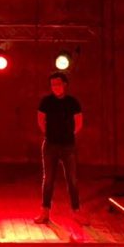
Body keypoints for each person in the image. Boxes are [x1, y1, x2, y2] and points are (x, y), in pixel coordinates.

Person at [34, 71, 85, 224]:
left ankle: (76, 211)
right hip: (50, 145)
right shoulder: (46, 102)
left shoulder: (73, 102)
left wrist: (68, 135)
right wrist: (50, 135)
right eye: (53, 85)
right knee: (48, 179)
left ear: (65, 85)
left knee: (72, 180)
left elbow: (79, 123)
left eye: (58, 84)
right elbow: (40, 120)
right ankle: (45, 212)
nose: (55, 87)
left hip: (68, 146)